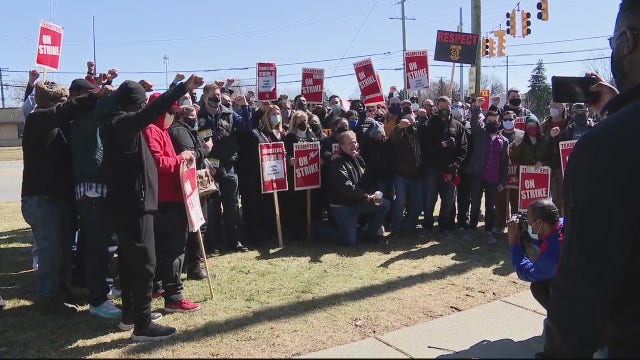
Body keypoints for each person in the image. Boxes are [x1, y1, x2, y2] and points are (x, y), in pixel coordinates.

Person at [542, 2, 640, 356]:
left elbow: (581, 291)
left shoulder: (603, 149)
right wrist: (618, 108)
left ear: (627, 40)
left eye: (613, 42)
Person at [102, 75, 204, 342]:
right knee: (145, 264)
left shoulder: (115, 123)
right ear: (135, 105)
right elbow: (154, 111)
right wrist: (184, 88)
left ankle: (130, 316)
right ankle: (142, 325)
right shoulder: (122, 123)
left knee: (129, 259)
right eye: (141, 104)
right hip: (134, 204)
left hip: (127, 202)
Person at [21, 81, 107, 315]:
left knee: (65, 249)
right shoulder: (37, 120)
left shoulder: (59, 126)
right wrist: (95, 95)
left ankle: (62, 290)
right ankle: (48, 299)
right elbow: (64, 111)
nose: (64, 104)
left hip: (60, 198)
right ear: (47, 102)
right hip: (42, 198)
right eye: (60, 101)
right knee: (51, 252)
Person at [197, 83, 251, 254]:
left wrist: (245, 107)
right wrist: (206, 163)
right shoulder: (199, 115)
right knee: (212, 208)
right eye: (213, 96)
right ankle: (212, 245)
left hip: (228, 166)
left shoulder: (229, 113)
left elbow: (247, 127)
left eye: (218, 95)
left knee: (233, 206)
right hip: (209, 168)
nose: (217, 98)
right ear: (205, 97)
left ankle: (235, 242)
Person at [315, 131, 390, 246]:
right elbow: (347, 188)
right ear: (341, 145)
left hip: (358, 202)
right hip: (343, 206)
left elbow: (365, 180)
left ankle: (370, 236)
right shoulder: (337, 163)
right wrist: (366, 196)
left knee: (384, 204)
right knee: (349, 242)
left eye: (355, 142)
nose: (354, 145)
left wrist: (371, 194)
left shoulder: (357, 159)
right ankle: (318, 228)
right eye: (349, 143)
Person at [168, 104, 213, 280]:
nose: (196, 117)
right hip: (190, 184)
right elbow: (190, 155)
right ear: (184, 116)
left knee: (198, 224)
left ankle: (193, 264)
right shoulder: (179, 131)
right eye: (193, 114)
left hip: (193, 181)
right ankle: (194, 266)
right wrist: (205, 149)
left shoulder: (184, 129)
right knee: (197, 224)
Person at [418, 96, 468, 235]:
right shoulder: (428, 125)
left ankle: (443, 227)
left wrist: (456, 164)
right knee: (430, 199)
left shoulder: (457, 126)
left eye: (447, 107)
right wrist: (442, 144)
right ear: (436, 107)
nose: (444, 110)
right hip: (432, 169)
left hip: (450, 169)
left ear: (451, 107)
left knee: (448, 201)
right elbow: (424, 147)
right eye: (441, 107)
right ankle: (428, 225)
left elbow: (463, 148)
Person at [507, 199, 563, 310]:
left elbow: (527, 272)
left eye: (529, 222)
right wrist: (527, 235)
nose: (528, 224)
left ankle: (561, 320)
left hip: (581, 294)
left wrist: (514, 242)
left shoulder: (553, 252)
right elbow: (545, 240)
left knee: (539, 287)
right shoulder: (562, 224)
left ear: (540, 223)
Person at [466, 106, 509, 244]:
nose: (492, 123)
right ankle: (471, 230)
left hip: (493, 178)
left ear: (499, 122)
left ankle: (488, 231)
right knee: (475, 204)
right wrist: (477, 109)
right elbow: (474, 123)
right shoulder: (479, 134)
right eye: (489, 121)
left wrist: (503, 181)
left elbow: (505, 163)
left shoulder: (504, 141)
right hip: (478, 176)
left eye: (495, 121)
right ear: (486, 121)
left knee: (490, 206)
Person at [388, 114, 422, 237]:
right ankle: (396, 228)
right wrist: (399, 127)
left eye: (412, 121)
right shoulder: (400, 132)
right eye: (408, 121)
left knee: (419, 201)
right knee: (400, 201)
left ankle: (409, 226)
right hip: (400, 175)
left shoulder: (418, 133)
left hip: (416, 175)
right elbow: (392, 139)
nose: (410, 124)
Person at [494, 111, 525, 234]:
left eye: (510, 119)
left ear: (515, 119)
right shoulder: (498, 135)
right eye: (505, 119)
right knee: (500, 201)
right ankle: (500, 224)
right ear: (501, 121)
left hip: (517, 173)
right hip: (502, 174)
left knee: (516, 202)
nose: (508, 121)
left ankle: (516, 226)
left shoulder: (522, 135)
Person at [539, 101, 568, 217]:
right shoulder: (544, 125)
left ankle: (561, 222)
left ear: (562, 109)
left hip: (562, 165)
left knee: (561, 196)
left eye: (556, 106)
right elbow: (540, 146)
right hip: (546, 163)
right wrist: (549, 136)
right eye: (551, 106)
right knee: (542, 195)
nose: (553, 108)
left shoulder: (569, 123)